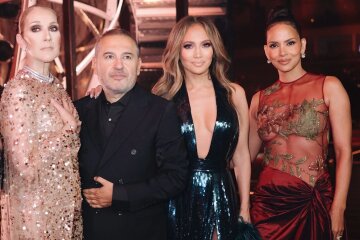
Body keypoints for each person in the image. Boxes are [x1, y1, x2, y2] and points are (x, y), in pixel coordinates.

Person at [74, 28, 189, 240]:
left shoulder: (160, 111)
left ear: (138, 66)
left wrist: (119, 195)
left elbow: (176, 177)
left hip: (140, 230)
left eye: (127, 57)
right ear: (95, 65)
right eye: (109, 56)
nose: (119, 65)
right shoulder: (77, 111)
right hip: (89, 231)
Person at [249, 6, 352, 240]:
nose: (282, 52)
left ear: (303, 45)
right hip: (267, 207)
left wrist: (339, 206)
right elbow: (244, 157)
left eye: (290, 43)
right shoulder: (258, 99)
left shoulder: (329, 87)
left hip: (313, 202)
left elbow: (343, 151)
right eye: (274, 46)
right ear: (266, 51)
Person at [152, 16, 251, 240]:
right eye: (189, 46)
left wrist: (245, 206)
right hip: (176, 197)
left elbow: (242, 156)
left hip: (222, 194)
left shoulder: (234, 94)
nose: (198, 54)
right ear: (178, 51)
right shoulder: (163, 97)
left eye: (205, 45)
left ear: (215, 49)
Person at [0, 5, 82, 239]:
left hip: (66, 213)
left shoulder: (56, 87)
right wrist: (66, 134)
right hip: (35, 218)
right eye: (36, 29)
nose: (47, 37)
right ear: (21, 40)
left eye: (53, 28)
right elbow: (25, 166)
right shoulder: (19, 91)